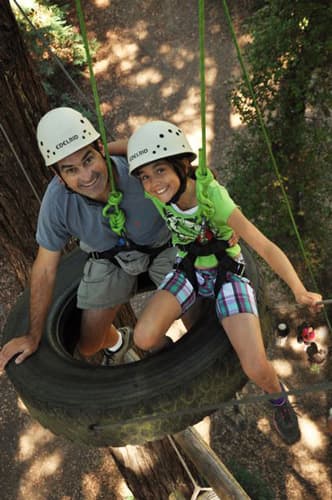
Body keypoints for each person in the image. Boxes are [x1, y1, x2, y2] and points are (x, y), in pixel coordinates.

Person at [127, 120, 323, 445]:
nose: (153, 183)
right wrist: (113, 148)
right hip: (188, 267)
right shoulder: (158, 196)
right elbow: (132, 154)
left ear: (182, 165)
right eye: (145, 176)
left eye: (160, 171)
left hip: (227, 272)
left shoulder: (213, 199)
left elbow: (264, 246)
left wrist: (298, 288)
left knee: (256, 367)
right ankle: (188, 367)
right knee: (144, 337)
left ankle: (279, 399)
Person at [0, 108, 179, 370]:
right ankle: (118, 343)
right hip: (112, 259)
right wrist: (33, 335)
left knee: (195, 305)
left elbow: (180, 160)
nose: (86, 176)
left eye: (88, 160)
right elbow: (46, 268)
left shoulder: (139, 165)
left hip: (163, 246)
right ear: (58, 176)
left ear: (100, 149)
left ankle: (193, 358)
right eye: (70, 170)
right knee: (89, 344)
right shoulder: (57, 201)